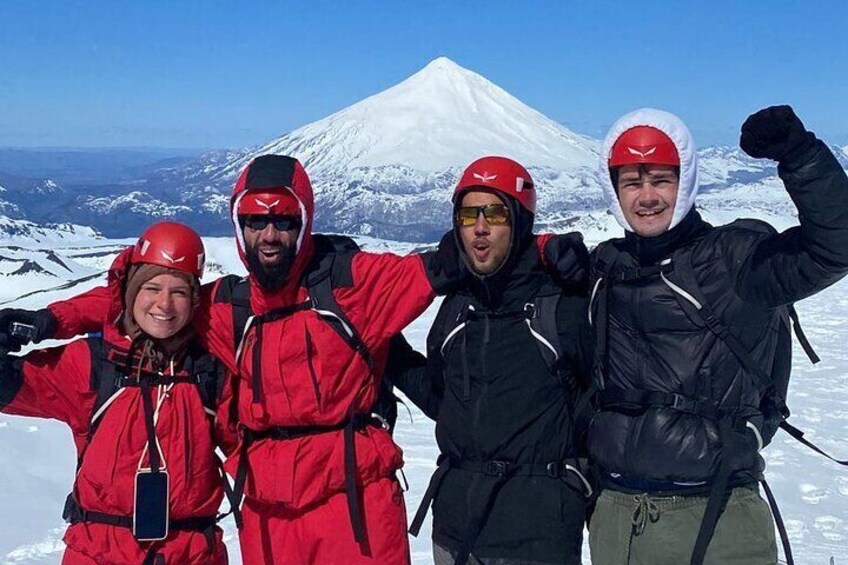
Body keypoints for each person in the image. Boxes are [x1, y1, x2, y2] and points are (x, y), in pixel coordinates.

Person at [3, 155, 461, 564]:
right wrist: (49, 320)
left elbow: (456, 259)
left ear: (305, 222)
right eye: (254, 221)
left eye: (284, 220)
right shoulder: (223, 310)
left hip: (351, 507)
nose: (269, 234)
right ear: (238, 226)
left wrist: (533, 246)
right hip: (263, 516)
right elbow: (137, 297)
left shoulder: (349, 286)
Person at [545, 105, 848, 565]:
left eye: (661, 180)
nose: (647, 196)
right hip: (616, 519)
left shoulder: (734, 261)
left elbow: (835, 246)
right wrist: (545, 250)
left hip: (715, 514)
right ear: (614, 190)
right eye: (632, 182)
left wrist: (800, 155)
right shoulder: (606, 267)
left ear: (684, 182)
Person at [390, 156, 594, 565]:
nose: (480, 227)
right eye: (468, 215)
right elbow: (445, 401)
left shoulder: (561, 306)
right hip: (455, 532)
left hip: (537, 538)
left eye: (495, 213)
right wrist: (387, 353)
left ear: (519, 223)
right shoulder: (457, 307)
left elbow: (597, 403)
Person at [0, 222, 232, 564]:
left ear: (195, 300)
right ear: (132, 290)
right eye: (151, 288)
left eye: (179, 292)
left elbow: (254, 449)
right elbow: (12, 386)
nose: (164, 305)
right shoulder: (93, 365)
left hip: (190, 554)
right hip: (98, 552)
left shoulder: (211, 371)